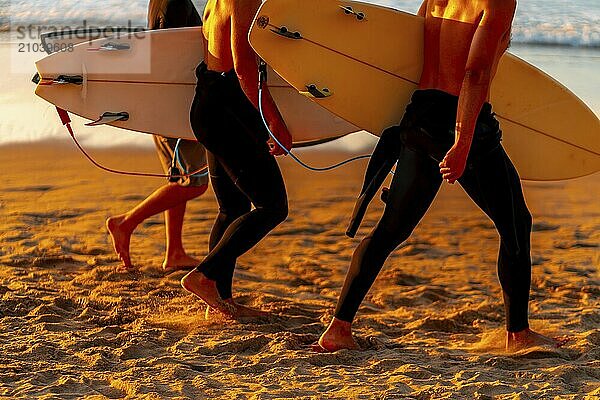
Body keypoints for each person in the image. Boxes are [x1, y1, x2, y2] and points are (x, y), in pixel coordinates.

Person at [317, 0, 565, 353]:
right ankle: (518, 334)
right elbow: (475, 72)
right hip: (463, 123)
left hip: (419, 116)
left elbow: (404, 54)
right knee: (516, 224)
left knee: (391, 230)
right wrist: (463, 142)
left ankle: (338, 329)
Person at [181, 0, 291, 318]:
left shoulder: (215, 2)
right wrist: (274, 122)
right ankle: (204, 275)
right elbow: (244, 69)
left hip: (208, 106)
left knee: (233, 209)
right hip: (227, 111)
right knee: (272, 207)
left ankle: (218, 299)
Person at [106, 0, 208, 273]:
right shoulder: (173, 3)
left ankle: (174, 252)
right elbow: (169, 58)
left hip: (165, 105)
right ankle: (125, 223)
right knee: (194, 183)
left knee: (177, 180)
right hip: (176, 107)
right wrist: (186, 115)